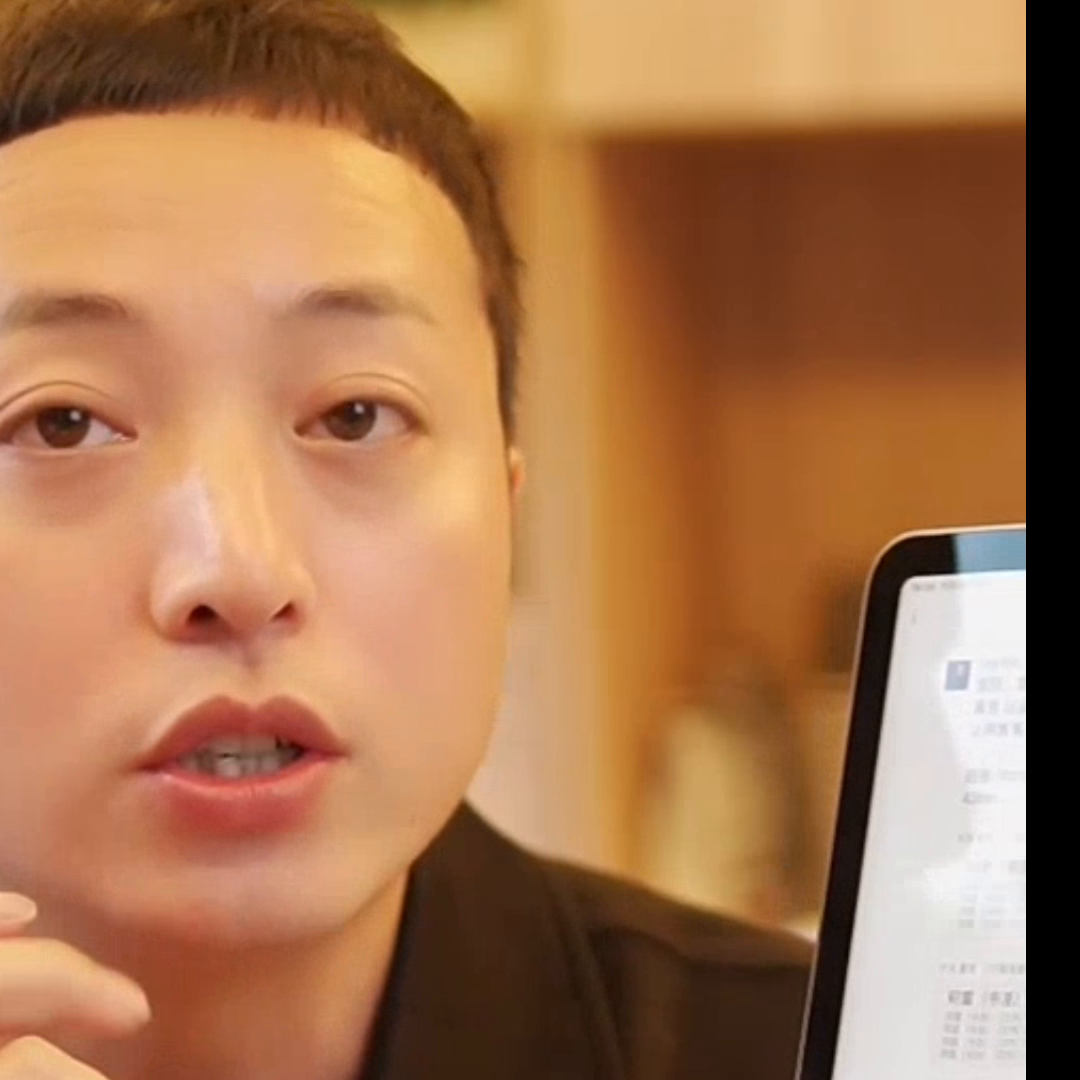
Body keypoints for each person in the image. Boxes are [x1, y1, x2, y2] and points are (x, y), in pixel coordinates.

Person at [0, 2, 811, 1077]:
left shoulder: (832, 1049)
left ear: (509, 519)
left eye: (355, 416)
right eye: (62, 422)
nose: (238, 569)